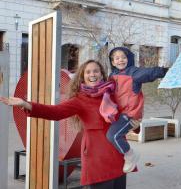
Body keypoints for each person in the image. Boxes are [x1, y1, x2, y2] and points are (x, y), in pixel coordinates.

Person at [0, 59, 139, 189]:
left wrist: (136, 125)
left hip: (117, 154)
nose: (93, 74)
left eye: (96, 71)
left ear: (102, 74)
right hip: (96, 157)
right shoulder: (79, 100)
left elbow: (127, 115)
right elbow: (55, 112)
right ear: (82, 77)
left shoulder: (113, 94)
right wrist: (25, 104)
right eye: (88, 72)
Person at [106, 47, 168, 173]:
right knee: (114, 135)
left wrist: (164, 71)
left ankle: (130, 155)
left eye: (123, 57)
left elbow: (149, 73)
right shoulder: (112, 75)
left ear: (129, 59)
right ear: (112, 62)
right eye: (117, 58)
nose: (120, 60)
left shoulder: (133, 73)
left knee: (113, 135)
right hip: (118, 114)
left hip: (130, 113)